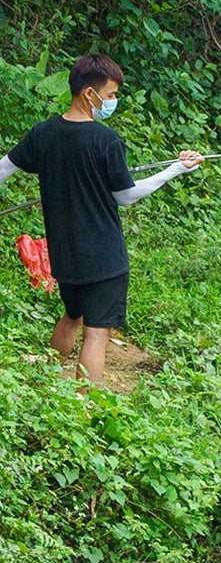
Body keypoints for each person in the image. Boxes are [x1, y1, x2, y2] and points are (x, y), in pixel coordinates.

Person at [0, 54, 204, 383]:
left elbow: (4, 169)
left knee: (72, 315)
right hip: (103, 255)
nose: (113, 101)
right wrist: (175, 169)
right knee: (96, 335)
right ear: (89, 94)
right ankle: (83, 412)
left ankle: (46, 383)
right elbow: (124, 196)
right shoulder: (105, 140)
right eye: (110, 95)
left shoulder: (43, 133)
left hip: (64, 253)